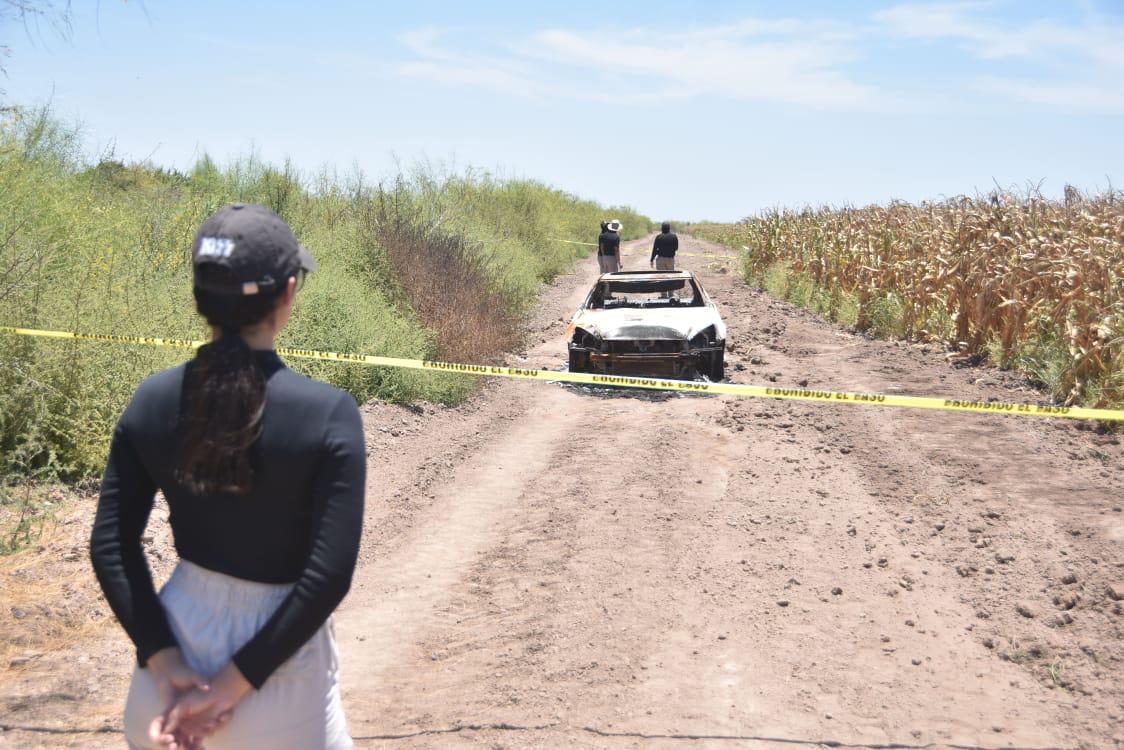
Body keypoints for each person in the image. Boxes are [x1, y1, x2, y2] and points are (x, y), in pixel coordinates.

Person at [90, 203, 365, 750]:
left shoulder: (152, 399)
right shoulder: (329, 413)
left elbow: (111, 545)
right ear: (288, 292)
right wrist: (230, 689)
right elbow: (326, 577)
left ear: (200, 298)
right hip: (278, 685)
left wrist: (163, 661)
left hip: (166, 677)